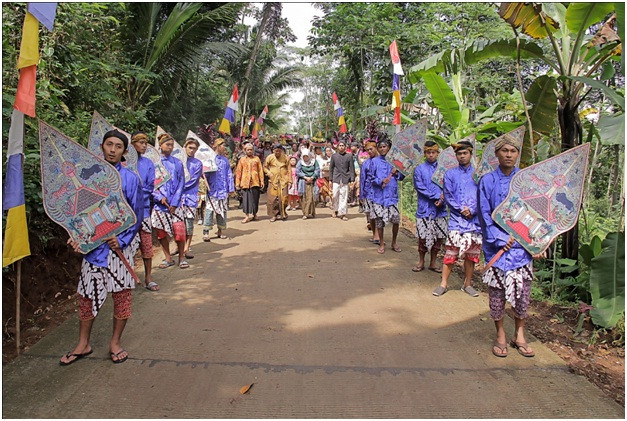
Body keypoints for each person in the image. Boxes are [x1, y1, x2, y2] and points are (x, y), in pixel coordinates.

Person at [60, 129, 142, 365]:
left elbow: (136, 215)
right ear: (102, 147)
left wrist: (123, 240)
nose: (113, 150)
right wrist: (76, 236)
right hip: (94, 250)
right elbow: (76, 213)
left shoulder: (130, 179)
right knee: (86, 295)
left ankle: (115, 343)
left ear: (125, 152)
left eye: (118, 146)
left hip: (119, 249)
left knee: (122, 296)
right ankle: (83, 343)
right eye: (109, 145)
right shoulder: (87, 177)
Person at [478, 135, 542, 358]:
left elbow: (536, 214)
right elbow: (484, 214)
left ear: (518, 154)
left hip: (522, 250)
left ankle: (520, 334)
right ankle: (500, 335)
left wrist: (538, 243)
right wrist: (498, 238)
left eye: (512, 151)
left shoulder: (526, 181)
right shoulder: (487, 181)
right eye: (504, 150)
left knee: (522, 294)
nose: (508, 154)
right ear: (496, 154)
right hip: (497, 249)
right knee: (497, 295)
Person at [433, 140, 481, 297]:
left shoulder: (479, 174)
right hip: (456, 220)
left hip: (474, 222)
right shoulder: (450, 174)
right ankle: (443, 284)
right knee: (450, 254)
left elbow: (483, 195)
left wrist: (472, 210)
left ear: (470, 154)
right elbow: (448, 194)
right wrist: (461, 209)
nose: (462, 156)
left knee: (471, 255)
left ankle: (467, 284)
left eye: (465, 153)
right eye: (459, 154)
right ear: (456, 156)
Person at [152, 133, 187, 269]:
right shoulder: (154, 164)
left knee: (179, 232)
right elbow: (150, 184)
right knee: (161, 233)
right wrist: (159, 197)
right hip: (160, 205)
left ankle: (181, 257)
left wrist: (175, 201)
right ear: (160, 145)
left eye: (172, 145)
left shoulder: (177, 163)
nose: (170, 147)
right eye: (168, 144)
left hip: (175, 204)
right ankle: (168, 258)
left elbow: (181, 183)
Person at [413, 140, 447, 273]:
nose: (431, 155)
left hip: (440, 210)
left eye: (433, 152)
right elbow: (419, 186)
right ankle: (421, 261)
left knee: (438, 237)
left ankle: (433, 262)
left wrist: (442, 199)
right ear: (425, 153)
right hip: (424, 208)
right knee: (422, 237)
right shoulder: (419, 169)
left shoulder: (443, 169)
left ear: (437, 153)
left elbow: (448, 186)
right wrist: (435, 197)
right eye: (428, 152)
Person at [130, 131, 158, 291]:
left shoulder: (148, 163)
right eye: (140, 142)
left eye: (145, 142)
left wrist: (136, 194)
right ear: (133, 144)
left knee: (147, 245)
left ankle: (148, 278)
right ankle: (129, 277)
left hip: (145, 210)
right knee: (128, 246)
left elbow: (149, 186)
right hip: (127, 213)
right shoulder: (124, 163)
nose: (144, 145)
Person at [371, 136, 405, 253]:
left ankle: (394, 242)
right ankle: (381, 243)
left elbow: (402, 177)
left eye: (384, 146)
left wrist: (396, 174)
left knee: (395, 220)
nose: (382, 149)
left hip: (392, 195)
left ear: (389, 148)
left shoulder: (395, 161)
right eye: (379, 147)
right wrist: (380, 181)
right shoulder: (374, 162)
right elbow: (371, 178)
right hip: (379, 196)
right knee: (379, 221)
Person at [203, 138, 234, 241]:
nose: (224, 147)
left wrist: (230, 188)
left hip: (223, 190)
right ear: (217, 146)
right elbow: (205, 173)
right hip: (212, 190)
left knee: (222, 211)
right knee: (209, 210)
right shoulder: (210, 159)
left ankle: (220, 231)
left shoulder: (225, 160)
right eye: (222, 145)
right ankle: (206, 232)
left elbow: (229, 174)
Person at [179, 138, 203, 258]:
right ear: (185, 147)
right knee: (178, 224)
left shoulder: (198, 164)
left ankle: (187, 248)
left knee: (189, 223)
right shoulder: (178, 161)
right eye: (190, 147)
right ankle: (178, 247)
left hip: (190, 197)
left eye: (194, 148)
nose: (192, 150)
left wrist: (179, 187)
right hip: (177, 198)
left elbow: (193, 180)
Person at [235, 142, 265, 223]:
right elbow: (238, 172)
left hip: (255, 182)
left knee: (255, 199)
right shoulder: (242, 159)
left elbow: (260, 170)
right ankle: (247, 216)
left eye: (251, 150)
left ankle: (255, 214)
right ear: (245, 151)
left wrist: (262, 181)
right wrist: (237, 183)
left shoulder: (257, 159)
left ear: (253, 150)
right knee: (246, 200)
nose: (249, 151)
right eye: (248, 150)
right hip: (245, 183)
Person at [359, 140, 380, 244]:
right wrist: (361, 194)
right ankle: (374, 234)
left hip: (379, 191)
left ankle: (377, 235)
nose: (369, 152)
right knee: (370, 214)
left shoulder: (382, 161)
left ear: (376, 148)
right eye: (367, 150)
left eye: (371, 149)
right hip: (368, 191)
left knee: (377, 214)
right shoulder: (366, 163)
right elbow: (362, 179)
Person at [329, 139, 355, 220]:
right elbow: (331, 168)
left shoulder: (349, 156)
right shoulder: (334, 156)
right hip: (336, 178)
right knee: (335, 195)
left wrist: (352, 180)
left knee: (344, 195)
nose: (341, 147)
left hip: (345, 178)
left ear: (345, 147)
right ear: (337, 147)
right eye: (340, 146)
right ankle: (335, 209)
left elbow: (351, 168)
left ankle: (343, 213)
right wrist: (330, 179)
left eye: (342, 145)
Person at [264, 143, 291, 222]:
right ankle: (274, 215)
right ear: (273, 151)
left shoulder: (286, 158)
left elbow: (289, 169)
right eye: (276, 151)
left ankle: (283, 213)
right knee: (272, 199)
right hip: (273, 180)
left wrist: (290, 181)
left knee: (284, 197)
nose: (277, 153)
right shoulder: (270, 157)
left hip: (283, 180)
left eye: (279, 151)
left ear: (282, 151)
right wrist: (269, 173)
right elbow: (265, 167)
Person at [296, 148, 320, 219]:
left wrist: (312, 177)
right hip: (303, 182)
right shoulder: (300, 162)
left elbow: (317, 170)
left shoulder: (314, 162)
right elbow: (298, 171)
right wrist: (305, 177)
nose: (305, 158)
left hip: (312, 182)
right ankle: (305, 213)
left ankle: (312, 212)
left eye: (307, 156)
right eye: (304, 156)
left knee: (312, 197)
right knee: (304, 198)